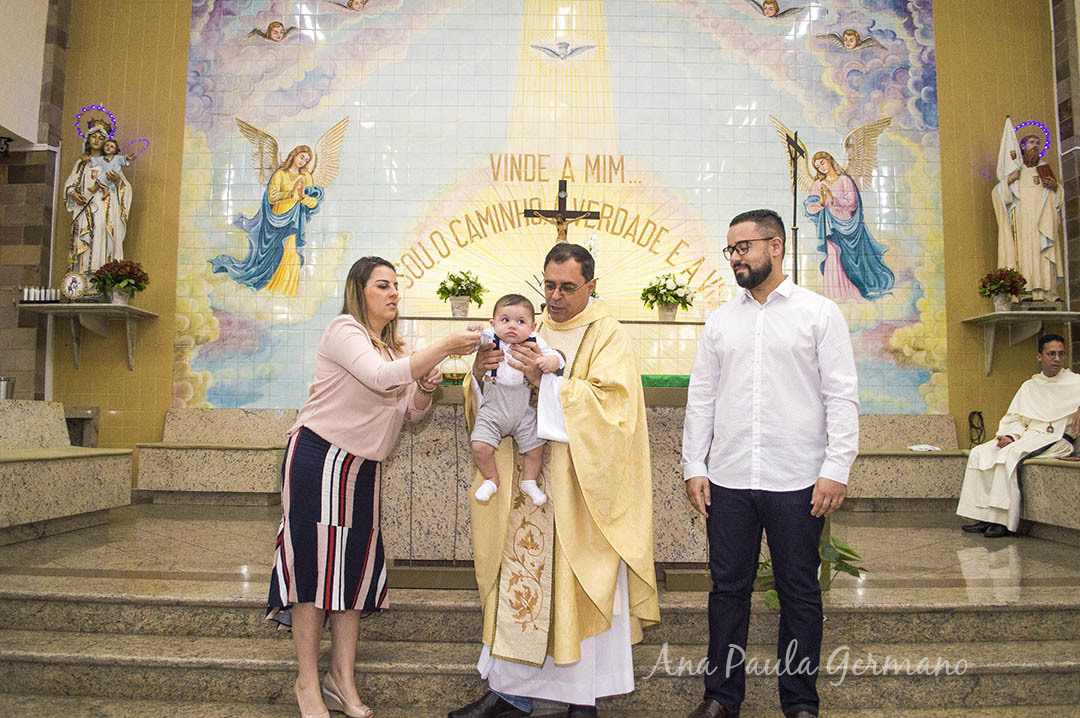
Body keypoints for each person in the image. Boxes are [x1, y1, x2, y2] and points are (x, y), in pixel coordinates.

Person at [450, 244, 660, 718]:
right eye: (548, 286)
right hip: (529, 491)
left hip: (581, 492)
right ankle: (510, 692)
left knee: (574, 587)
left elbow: (618, 410)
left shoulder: (607, 335)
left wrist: (551, 384)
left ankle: (581, 699)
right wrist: (480, 377)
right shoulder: (530, 327)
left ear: (591, 285)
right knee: (518, 584)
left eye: (567, 287)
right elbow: (492, 397)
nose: (555, 297)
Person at [266, 256, 482, 718]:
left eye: (396, 286)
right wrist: (445, 345)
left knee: (350, 573)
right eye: (382, 285)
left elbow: (411, 416)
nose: (393, 293)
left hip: (363, 469)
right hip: (320, 458)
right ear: (358, 290)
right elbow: (382, 380)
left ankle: (340, 679)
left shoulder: (391, 348)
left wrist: (425, 387)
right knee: (315, 569)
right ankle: (307, 683)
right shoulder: (345, 332)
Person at [682, 209, 859, 718]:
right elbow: (703, 398)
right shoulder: (721, 320)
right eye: (731, 250)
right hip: (731, 478)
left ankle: (800, 703)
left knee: (800, 592)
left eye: (745, 248)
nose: (736, 258)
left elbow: (841, 396)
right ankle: (721, 698)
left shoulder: (819, 313)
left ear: (776, 246)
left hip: (798, 478)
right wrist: (696, 463)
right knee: (728, 591)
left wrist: (836, 467)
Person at [957, 334, 1080, 538]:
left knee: (1011, 455)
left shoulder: (1075, 382)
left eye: (1061, 354)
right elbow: (1015, 418)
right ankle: (982, 516)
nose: (1057, 358)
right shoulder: (1030, 386)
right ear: (1039, 357)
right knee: (980, 452)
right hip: (1027, 436)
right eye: (1051, 354)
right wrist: (1011, 436)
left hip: (1057, 438)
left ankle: (1002, 521)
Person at [472, 294, 564, 507]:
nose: (512, 326)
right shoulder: (489, 337)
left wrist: (549, 361)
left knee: (536, 448)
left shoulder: (535, 341)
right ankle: (492, 479)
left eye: (520, 322)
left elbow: (556, 356)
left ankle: (529, 481)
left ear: (532, 326)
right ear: (493, 323)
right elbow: (471, 342)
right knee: (479, 446)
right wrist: (473, 331)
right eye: (505, 320)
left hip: (523, 409)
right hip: (494, 407)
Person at [209, 145, 322, 297]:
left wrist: (303, 197)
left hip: (294, 223)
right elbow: (272, 197)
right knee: (273, 257)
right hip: (275, 221)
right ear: (294, 155)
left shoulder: (306, 177)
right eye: (302, 157)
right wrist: (290, 193)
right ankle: (269, 293)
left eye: (306, 160)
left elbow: (314, 204)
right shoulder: (280, 174)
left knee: (292, 256)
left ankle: (284, 296)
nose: (303, 161)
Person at [803, 150, 894, 302]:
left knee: (850, 260)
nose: (821, 168)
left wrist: (833, 198)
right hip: (829, 227)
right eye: (817, 167)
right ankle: (835, 297)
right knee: (832, 257)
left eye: (822, 163)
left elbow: (852, 204)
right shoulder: (818, 184)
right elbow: (811, 207)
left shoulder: (844, 180)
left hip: (848, 226)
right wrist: (820, 203)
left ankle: (853, 294)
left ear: (829, 160)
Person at [992, 132, 1066, 301]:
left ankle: (1048, 294)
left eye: (1038, 143)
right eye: (1031, 142)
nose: (1035, 146)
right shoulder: (1016, 173)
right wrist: (1008, 181)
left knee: (1044, 256)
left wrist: (1056, 188)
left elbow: (1057, 200)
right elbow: (999, 195)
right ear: (1023, 147)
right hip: (1023, 224)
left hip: (1043, 223)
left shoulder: (1045, 170)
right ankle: (1025, 291)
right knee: (1025, 255)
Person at [64, 120, 132, 274]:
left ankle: (100, 276)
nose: (96, 140)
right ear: (88, 139)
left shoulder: (110, 163)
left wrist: (117, 181)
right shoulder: (82, 163)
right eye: (93, 137)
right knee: (84, 240)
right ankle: (81, 279)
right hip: (84, 208)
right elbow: (70, 184)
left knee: (101, 237)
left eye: (101, 138)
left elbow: (125, 187)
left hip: (104, 208)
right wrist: (74, 193)